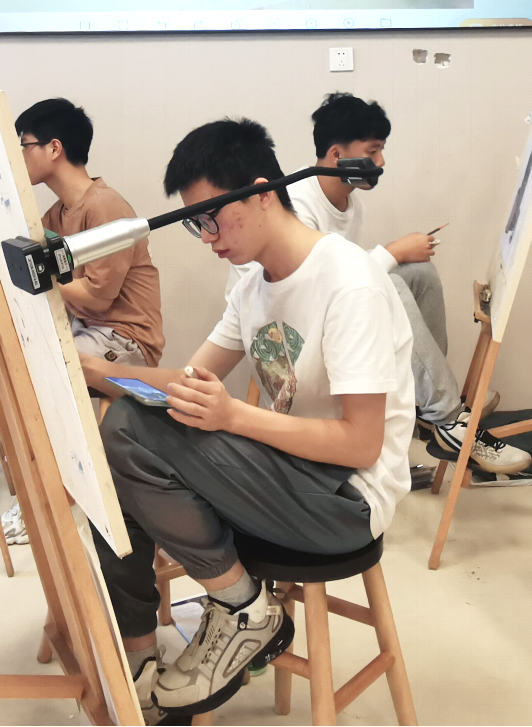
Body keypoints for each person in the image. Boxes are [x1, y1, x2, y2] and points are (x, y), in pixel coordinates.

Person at [90, 118, 413, 720]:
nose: (207, 237)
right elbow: (186, 384)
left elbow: (362, 444)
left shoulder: (349, 281)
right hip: (290, 474)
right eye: (196, 224)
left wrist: (233, 416)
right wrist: (87, 368)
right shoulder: (252, 287)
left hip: (346, 499)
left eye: (211, 217)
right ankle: (138, 651)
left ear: (262, 192)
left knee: (128, 431)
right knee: (114, 449)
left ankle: (241, 609)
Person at [293, 92, 530, 474]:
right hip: (297, 318)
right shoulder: (298, 203)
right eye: (373, 151)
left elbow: (343, 274)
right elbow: (315, 287)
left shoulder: (352, 204)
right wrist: (391, 251)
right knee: (390, 285)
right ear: (337, 155)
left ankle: (428, 402)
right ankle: (449, 419)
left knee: (420, 275)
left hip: (331, 304)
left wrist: (397, 256)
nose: (381, 162)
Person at [0, 97, 165, 546]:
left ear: (53, 148)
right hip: (86, 332)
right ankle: (43, 491)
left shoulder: (105, 206)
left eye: (23, 144)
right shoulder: (56, 215)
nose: (18, 155)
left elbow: (99, 296)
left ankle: (52, 498)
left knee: (25, 381)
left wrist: (40, 275)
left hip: (125, 340)